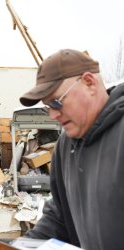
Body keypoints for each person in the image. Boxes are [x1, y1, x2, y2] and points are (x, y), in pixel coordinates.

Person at [19, 49, 124, 249]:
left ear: (89, 83)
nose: (52, 116)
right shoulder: (66, 146)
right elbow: (60, 217)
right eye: (47, 107)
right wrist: (23, 246)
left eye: (57, 102)